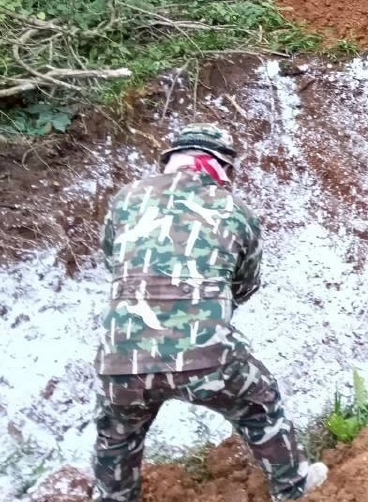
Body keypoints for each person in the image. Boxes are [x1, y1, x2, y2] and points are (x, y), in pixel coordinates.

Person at [91, 123, 327, 502]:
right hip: (207, 355)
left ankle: (114, 497)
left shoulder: (126, 199)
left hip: (122, 357)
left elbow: (114, 263)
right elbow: (244, 285)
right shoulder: (236, 211)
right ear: (222, 166)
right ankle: (293, 487)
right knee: (260, 405)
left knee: (116, 435)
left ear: (170, 160)